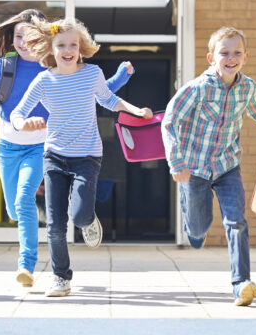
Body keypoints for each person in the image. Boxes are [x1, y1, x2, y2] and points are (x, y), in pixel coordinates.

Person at [0, 9, 134, 288]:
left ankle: (27, 266)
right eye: (18, 37)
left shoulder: (53, 65)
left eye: (29, 37)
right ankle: (41, 247)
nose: (22, 42)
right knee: (15, 210)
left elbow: (96, 92)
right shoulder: (4, 67)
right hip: (8, 144)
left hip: (43, 145)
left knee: (25, 201)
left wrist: (120, 78)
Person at [161, 26, 256, 307]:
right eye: (224, 52)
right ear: (211, 58)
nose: (231, 57)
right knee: (199, 229)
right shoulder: (198, 88)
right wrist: (176, 160)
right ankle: (194, 227)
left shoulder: (247, 88)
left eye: (237, 52)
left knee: (236, 222)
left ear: (246, 57)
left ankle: (241, 283)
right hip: (195, 169)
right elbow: (170, 121)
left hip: (228, 166)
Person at [10, 17, 152, 298]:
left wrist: (137, 111)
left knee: (79, 215)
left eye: (73, 44)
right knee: (54, 225)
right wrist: (21, 124)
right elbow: (18, 113)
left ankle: (87, 220)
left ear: (80, 47)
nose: (67, 50)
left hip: (87, 155)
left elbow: (109, 100)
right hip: (54, 157)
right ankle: (61, 277)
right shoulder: (44, 80)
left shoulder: (92, 74)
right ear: (51, 48)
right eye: (61, 44)